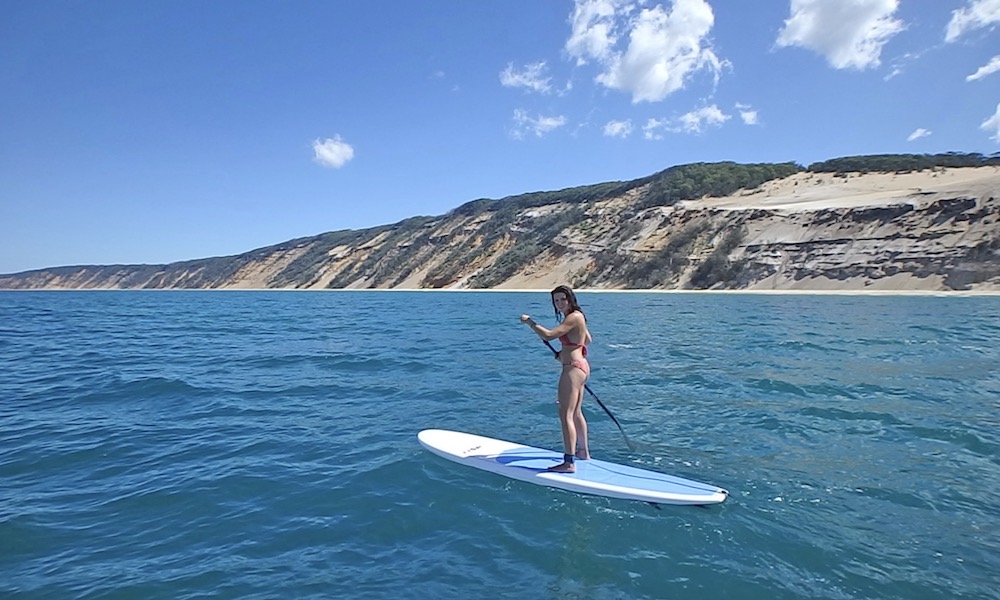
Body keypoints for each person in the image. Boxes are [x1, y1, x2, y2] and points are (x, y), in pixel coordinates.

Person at [520, 285, 592, 473]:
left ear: (570, 299)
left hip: (573, 369)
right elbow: (587, 339)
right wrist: (567, 351)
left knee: (565, 414)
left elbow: (549, 335)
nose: (559, 303)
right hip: (580, 366)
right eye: (556, 300)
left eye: (563, 299)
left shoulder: (573, 316)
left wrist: (530, 323)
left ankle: (569, 463)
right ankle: (583, 452)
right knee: (576, 412)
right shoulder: (578, 316)